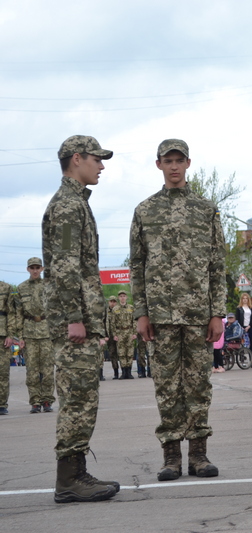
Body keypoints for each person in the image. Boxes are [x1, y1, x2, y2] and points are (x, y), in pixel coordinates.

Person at [130, 139, 225, 483]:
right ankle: (171, 456)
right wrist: (141, 312)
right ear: (158, 165)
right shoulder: (144, 211)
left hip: (199, 314)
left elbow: (217, 265)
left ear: (188, 163)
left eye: (179, 160)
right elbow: (137, 266)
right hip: (161, 315)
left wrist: (218, 312)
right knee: (167, 386)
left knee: (199, 384)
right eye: (167, 161)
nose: (173, 166)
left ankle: (199, 455)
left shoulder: (206, 209)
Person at [42, 135, 118, 503]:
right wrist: (75, 317)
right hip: (75, 322)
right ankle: (70, 479)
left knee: (84, 398)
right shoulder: (68, 207)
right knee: (77, 400)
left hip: (83, 320)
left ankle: (74, 474)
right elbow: (66, 265)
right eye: (97, 160)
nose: (101, 166)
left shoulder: (76, 203)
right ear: (77, 159)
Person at [14, 257, 56, 413]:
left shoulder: (48, 286)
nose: (35, 270)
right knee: (31, 371)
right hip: (29, 332)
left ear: (42, 269)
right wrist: (20, 337)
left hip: (46, 332)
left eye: (38, 267)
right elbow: (18, 314)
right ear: (28, 269)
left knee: (47, 370)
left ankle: (47, 400)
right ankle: (35, 402)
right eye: (32, 267)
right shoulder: (21, 288)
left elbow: (55, 310)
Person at [110, 290, 136, 380]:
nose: (122, 297)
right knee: (121, 353)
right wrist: (114, 334)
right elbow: (112, 323)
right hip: (120, 332)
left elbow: (134, 321)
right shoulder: (115, 309)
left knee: (130, 352)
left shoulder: (131, 308)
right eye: (120, 296)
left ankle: (129, 372)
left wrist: (134, 333)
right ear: (118, 298)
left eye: (124, 296)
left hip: (129, 331)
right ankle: (123, 372)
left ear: (126, 297)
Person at [1, 280, 16, 416]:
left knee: (3, 372)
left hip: (2, 335)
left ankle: (1, 404)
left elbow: (11, 313)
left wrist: (10, 335)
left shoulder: (6, 288)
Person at [104, 296, 119, 379]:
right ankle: (116, 373)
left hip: (119, 335)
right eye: (111, 301)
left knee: (123, 353)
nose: (112, 303)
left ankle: (125, 372)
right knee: (112, 354)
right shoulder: (105, 312)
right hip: (110, 336)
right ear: (108, 302)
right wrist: (105, 335)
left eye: (114, 302)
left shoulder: (119, 311)